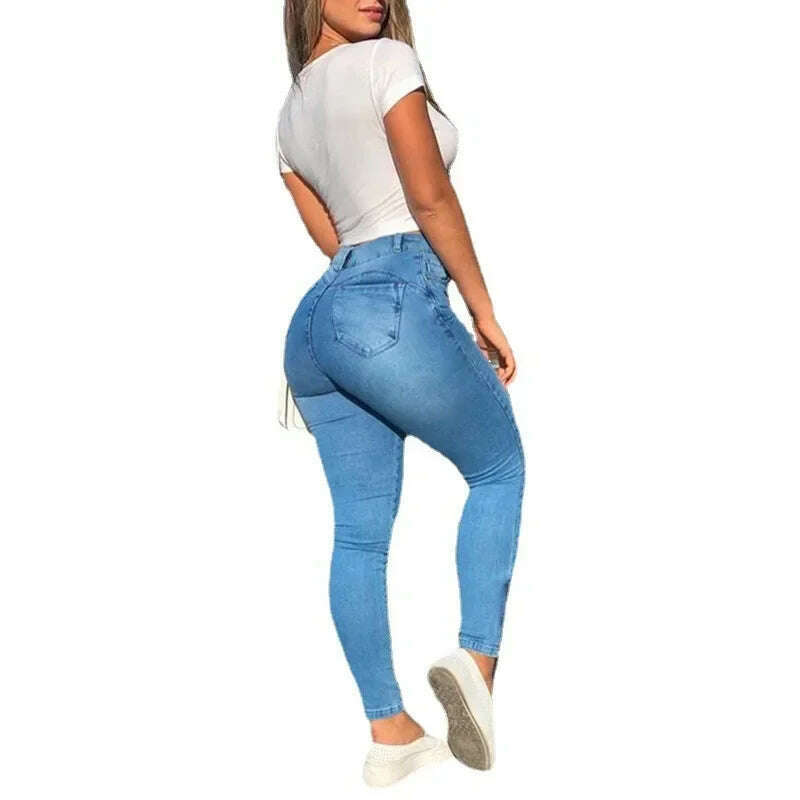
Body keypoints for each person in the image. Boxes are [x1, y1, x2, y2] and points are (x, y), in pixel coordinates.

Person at [277, 1, 526, 786]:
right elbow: (429, 199)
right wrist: (482, 310)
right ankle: (476, 667)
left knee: (359, 535)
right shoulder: (387, 62)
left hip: (317, 324)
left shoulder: (288, 114)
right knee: (498, 469)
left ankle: (390, 732)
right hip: (392, 295)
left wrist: (353, 331)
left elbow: (334, 239)